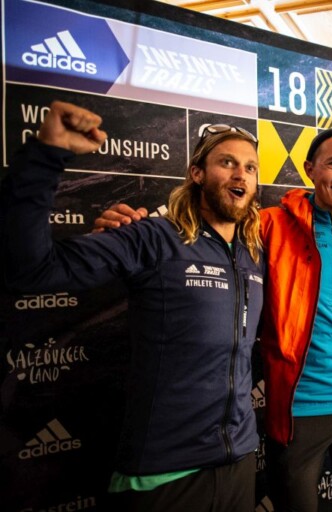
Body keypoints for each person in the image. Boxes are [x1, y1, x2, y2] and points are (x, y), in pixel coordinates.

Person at [93, 128, 332, 512]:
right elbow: (201, 227)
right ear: (309, 169)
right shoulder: (267, 225)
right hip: (299, 411)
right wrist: (130, 226)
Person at [0, 101, 264, 512]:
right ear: (197, 174)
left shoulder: (253, 255)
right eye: (226, 162)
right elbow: (32, 270)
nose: (240, 174)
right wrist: (45, 156)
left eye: (250, 167)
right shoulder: (153, 237)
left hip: (240, 463)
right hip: (165, 473)